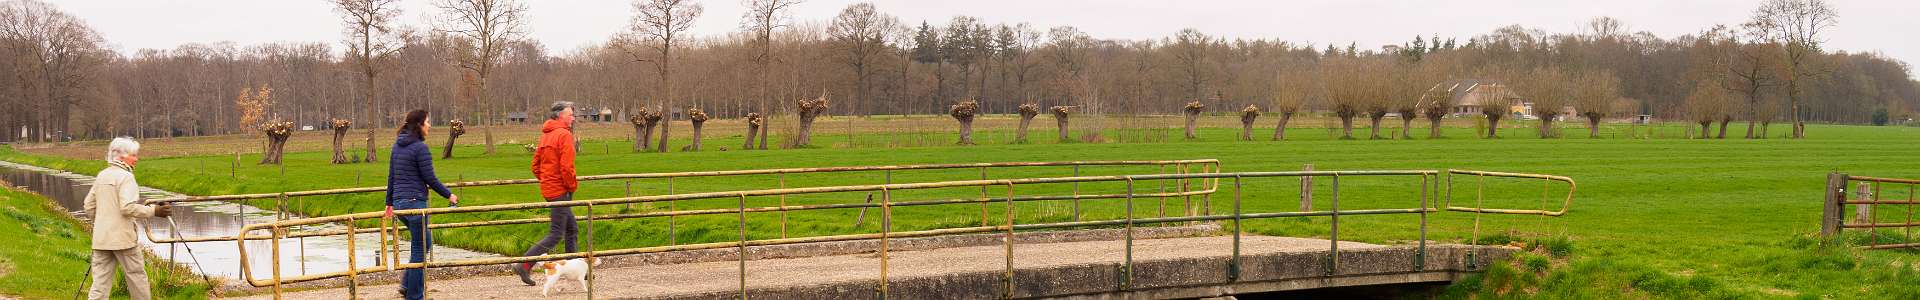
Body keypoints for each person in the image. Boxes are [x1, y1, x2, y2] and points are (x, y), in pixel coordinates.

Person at [386, 109, 459, 300]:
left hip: (400, 205)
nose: (429, 125)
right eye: (427, 121)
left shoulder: (397, 146)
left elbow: (391, 176)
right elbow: (430, 178)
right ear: (419, 125)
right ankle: (415, 295)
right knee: (419, 249)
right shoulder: (420, 148)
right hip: (416, 204)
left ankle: (406, 285)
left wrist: (389, 203)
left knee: (424, 241)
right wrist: (449, 195)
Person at [85, 137, 170, 300]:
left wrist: (104, 222)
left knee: (99, 285)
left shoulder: (102, 176)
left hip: (101, 239)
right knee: (137, 280)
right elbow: (127, 207)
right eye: (133, 155)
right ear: (121, 157)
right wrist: (154, 210)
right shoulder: (126, 177)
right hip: (124, 239)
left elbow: (88, 206)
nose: (136, 159)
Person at [516, 101, 579, 285]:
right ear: (561, 116)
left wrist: (546, 180)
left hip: (550, 189)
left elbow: (535, 166)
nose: (573, 118)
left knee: (571, 229)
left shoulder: (546, 135)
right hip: (560, 190)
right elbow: (567, 167)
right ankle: (524, 265)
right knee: (556, 233)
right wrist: (571, 187)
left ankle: (573, 269)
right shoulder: (564, 135)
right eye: (570, 114)